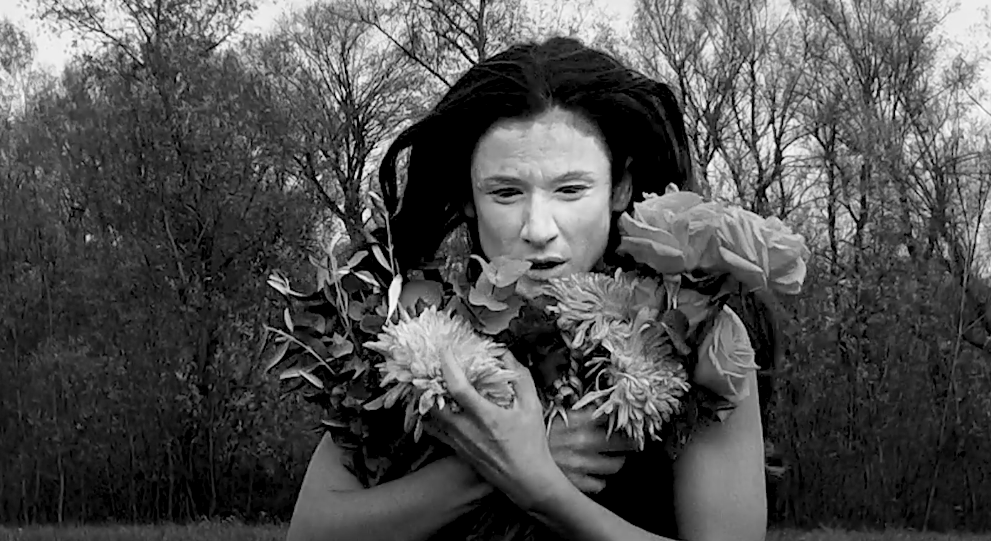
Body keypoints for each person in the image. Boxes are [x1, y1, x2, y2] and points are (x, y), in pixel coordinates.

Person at [284, 36, 778, 541]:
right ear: (468, 196)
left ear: (620, 187)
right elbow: (311, 532)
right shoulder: (412, 327)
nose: (538, 228)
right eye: (505, 192)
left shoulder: (699, 334)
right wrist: (491, 462)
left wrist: (542, 487)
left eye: (571, 190)